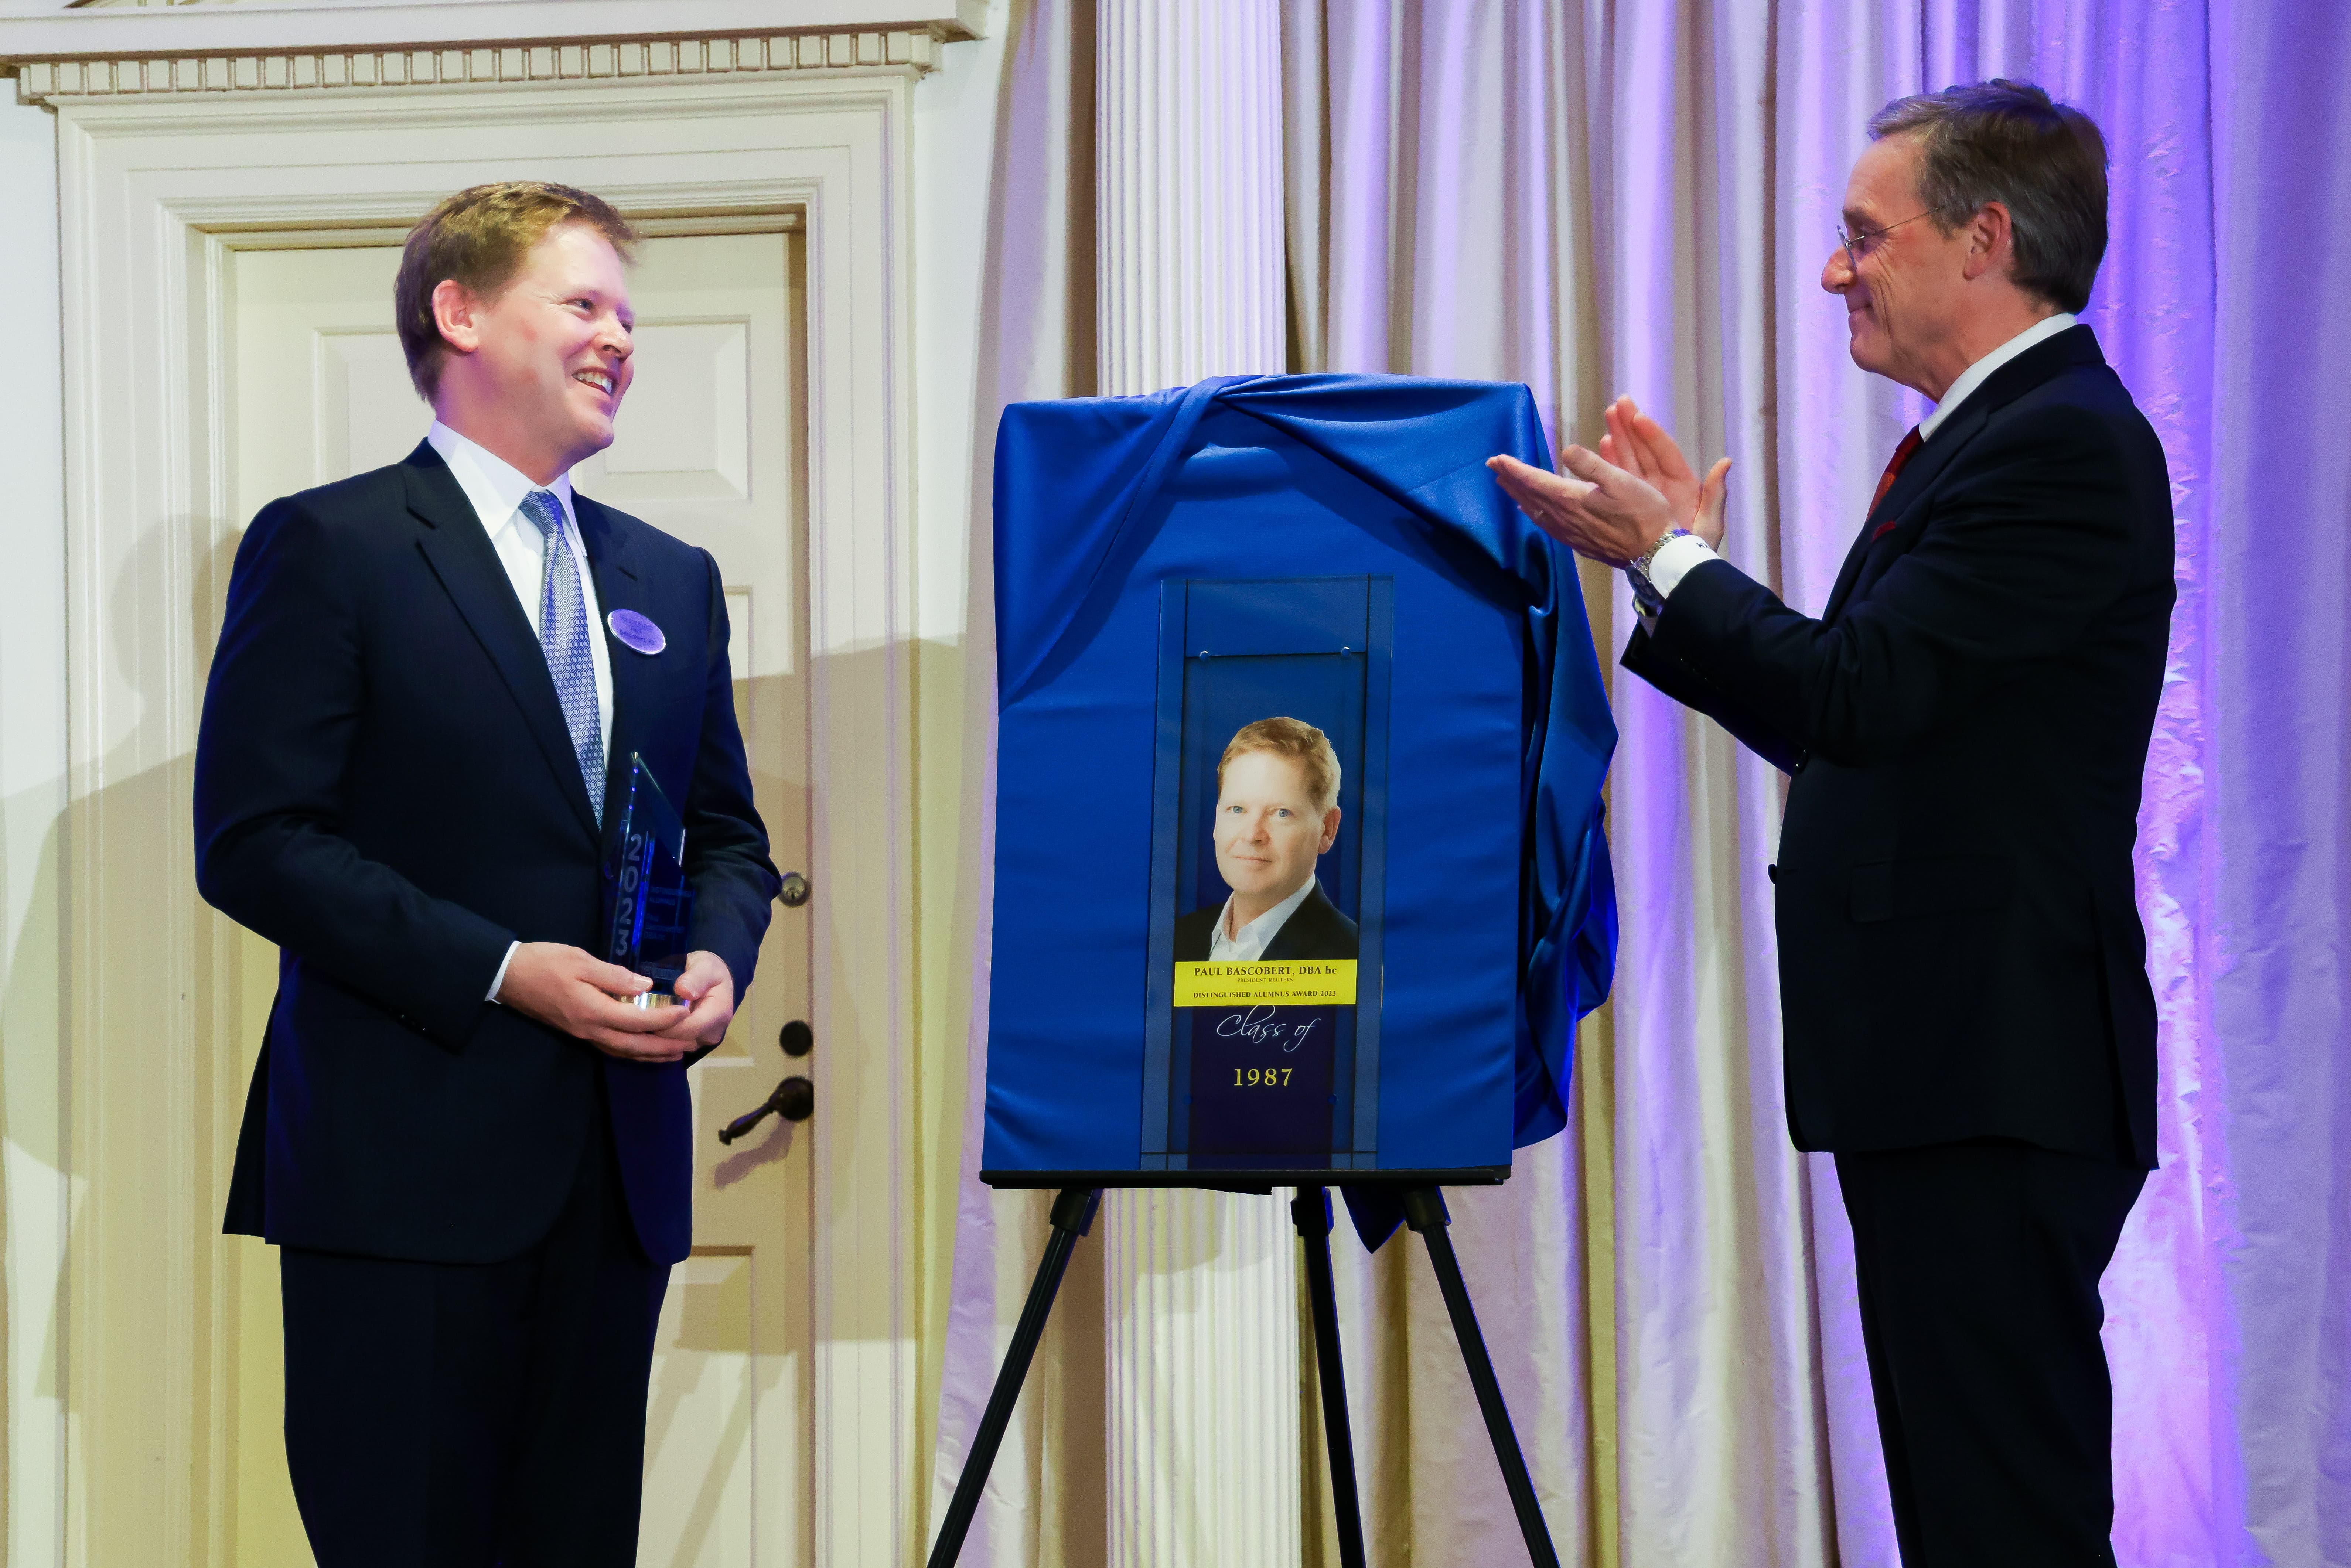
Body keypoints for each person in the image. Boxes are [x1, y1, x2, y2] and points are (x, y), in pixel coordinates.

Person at [1488, 81, 2172, 1568]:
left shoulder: (2053, 444)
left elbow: (1856, 693)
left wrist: (1666, 550)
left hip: (1998, 1069)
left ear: (1984, 239)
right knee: (1963, 1509)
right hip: (1948, 1070)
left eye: (1863, 236)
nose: (1830, 270)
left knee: (2007, 1516)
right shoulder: (1986, 439)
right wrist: (1684, 567)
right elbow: (1852, 725)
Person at [193, 182, 781, 1567]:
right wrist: (505, 966)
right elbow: (256, 838)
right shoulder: (332, 544)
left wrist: (715, 955)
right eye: (582, 302)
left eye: (628, 315)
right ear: (458, 312)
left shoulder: (672, 577)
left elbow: (728, 837)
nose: (619, 337)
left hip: (613, 1169)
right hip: (402, 1172)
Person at [1174, 717, 1358, 963]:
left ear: (1327, 830)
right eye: (1237, 809)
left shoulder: (1353, 957)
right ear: (1217, 819)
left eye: (1282, 813)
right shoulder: (1175, 940)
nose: (1252, 835)